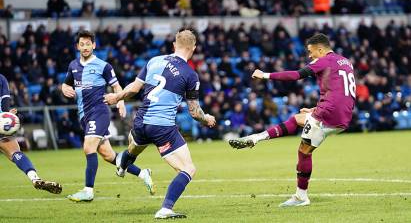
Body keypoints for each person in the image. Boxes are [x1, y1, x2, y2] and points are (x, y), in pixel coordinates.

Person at [229, 33, 356, 207]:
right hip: (343, 115)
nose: (310, 56)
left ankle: (301, 197)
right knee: (298, 119)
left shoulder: (324, 61)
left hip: (329, 113)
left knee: (304, 151)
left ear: (321, 49)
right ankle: (256, 137)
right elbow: (340, 91)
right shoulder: (346, 62)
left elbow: (297, 75)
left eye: (311, 52)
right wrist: (315, 109)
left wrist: (265, 75)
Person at [104, 29, 216, 219]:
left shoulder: (154, 61)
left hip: (140, 121)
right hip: (162, 127)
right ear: (193, 49)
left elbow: (134, 88)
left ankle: (123, 163)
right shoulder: (190, 75)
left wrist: (116, 96)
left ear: (174, 45)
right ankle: (165, 209)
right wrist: (207, 119)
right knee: (188, 169)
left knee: (136, 144)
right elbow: (194, 112)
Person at [62, 30, 154, 202]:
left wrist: (120, 102)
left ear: (94, 45)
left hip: (99, 111)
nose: (85, 47)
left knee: (88, 147)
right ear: (77, 47)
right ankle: (143, 173)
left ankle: (88, 190)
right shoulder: (73, 66)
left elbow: (117, 87)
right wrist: (63, 88)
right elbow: (66, 84)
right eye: (82, 44)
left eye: (88, 44)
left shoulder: (104, 66)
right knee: (108, 155)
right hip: (84, 115)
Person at [0, 74, 62, 194]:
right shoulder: (2, 79)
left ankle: (36, 179)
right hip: (1, 126)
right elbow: (4, 103)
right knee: (15, 153)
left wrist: (7, 115)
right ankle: (34, 178)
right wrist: (6, 115)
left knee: (15, 152)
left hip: (1, 124)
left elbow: (4, 107)